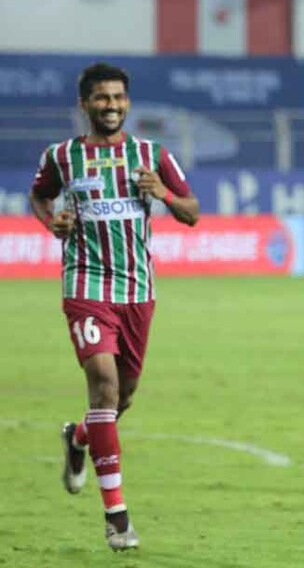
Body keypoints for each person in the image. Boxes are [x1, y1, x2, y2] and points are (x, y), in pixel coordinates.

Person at [29, 62, 200, 551]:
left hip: (137, 291)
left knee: (120, 399)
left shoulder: (152, 155)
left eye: (118, 97)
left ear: (127, 102)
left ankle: (78, 438)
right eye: (102, 97)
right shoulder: (62, 156)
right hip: (85, 286)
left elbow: (192, 212)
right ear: (84, 104)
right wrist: (52, 222)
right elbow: (39, 197)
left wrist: (162, 193)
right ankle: (117, 519)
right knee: (103, 387)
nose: (111, 105)